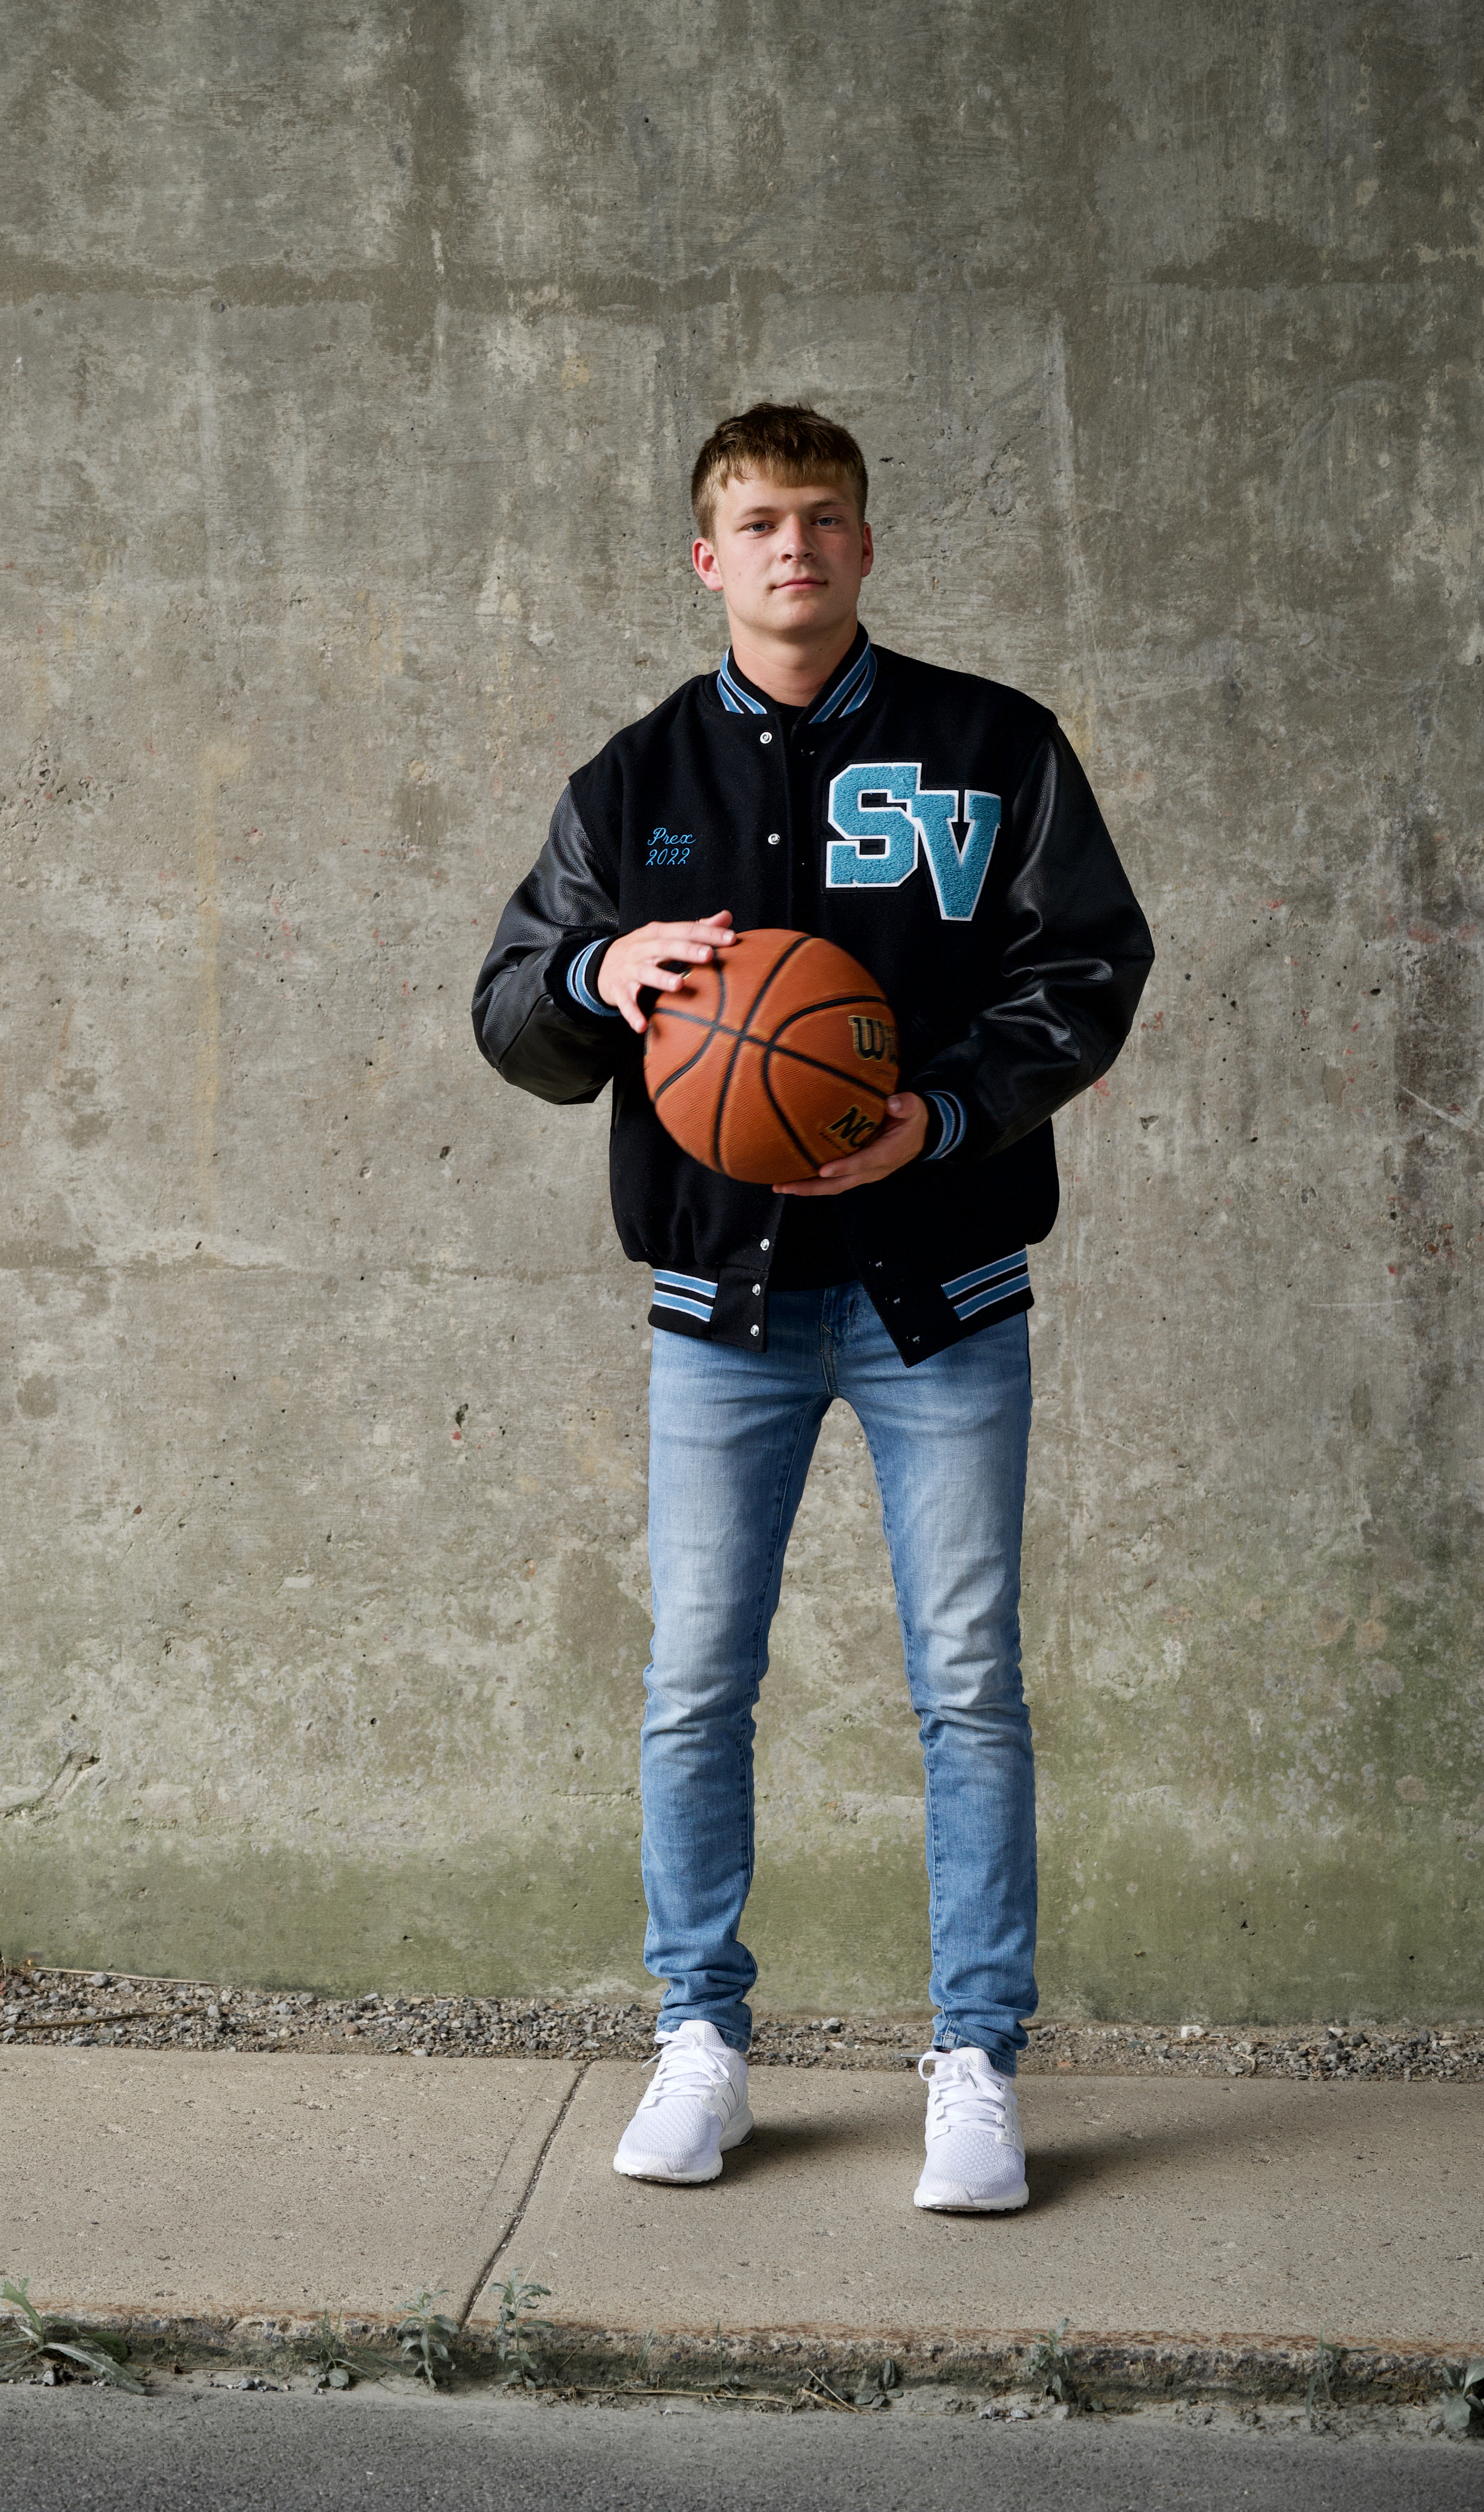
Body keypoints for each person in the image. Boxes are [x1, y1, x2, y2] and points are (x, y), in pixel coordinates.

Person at [473, 403, 1151, 2211]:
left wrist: (932, 1116)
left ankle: (975, 2063)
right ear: (707, 556)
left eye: (825, 519)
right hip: (725, 1309)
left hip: (945, 1295)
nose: (795, 548)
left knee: (969, 1688)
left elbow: (1094, 966)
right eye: (760, 522)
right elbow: (505, 1008)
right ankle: (702, 2037)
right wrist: (593, 969)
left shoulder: (991, 748)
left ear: (867, 546)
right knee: (696, 1684)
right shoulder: (633, 787)